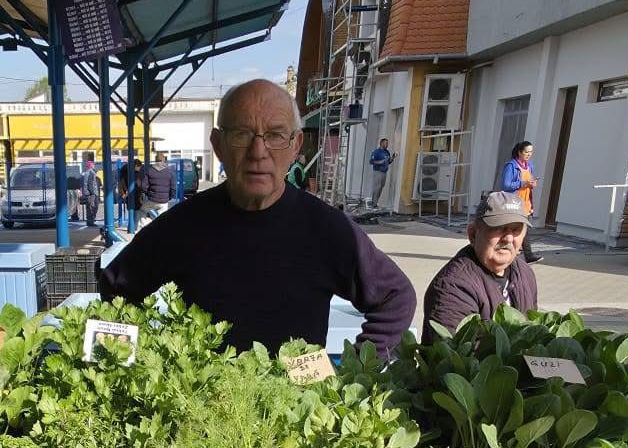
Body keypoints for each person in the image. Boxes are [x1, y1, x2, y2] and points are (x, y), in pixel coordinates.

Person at [97, 79, 416, 355]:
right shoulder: (182, 226)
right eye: (242, 134)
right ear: (218, 145)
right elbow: (115, 287)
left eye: (276, 135)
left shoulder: (328, 230)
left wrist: (353, 374)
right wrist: (144, 365)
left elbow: (396, 298)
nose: (258, 151)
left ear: (296, 146)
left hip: (299, 406)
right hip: (206, 403)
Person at [421, 191, 539, 344]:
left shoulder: (525, 273)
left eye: (516, 229)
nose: (509, 238)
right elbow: (456, 356)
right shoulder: (453, 287)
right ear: (473, 234)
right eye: (500, 228)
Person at [499, 141, 544, 262]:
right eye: (526, 152)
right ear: (519, 152)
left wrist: (533, 183)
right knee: (518, 230)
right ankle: (522, 255)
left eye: (531, 152)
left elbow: (530, 181)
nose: (529, 154)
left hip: (527, 202)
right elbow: (506, 185)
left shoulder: (530, 166)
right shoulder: (511, 166)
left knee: (523, 231)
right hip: (514, 203)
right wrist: (524, 183)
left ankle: (521, 256)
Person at [368, 138, 393, 209]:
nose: (387, 145)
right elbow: (371, 161)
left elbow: (388, 162)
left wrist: (392, 158)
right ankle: (373, 203)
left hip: (384, 172)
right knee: (377, 187)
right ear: (381, 143)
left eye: (387, 143)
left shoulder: (387, 152)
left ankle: (375, 202)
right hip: (378, 171)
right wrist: (380, 162)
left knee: (381, 187)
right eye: (386, 143)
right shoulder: (376, 152)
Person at [78, 157, 102, 228]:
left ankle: (90, 221)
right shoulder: (91, 172)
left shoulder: (87, 172)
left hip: (88, 193)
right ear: (91, 166)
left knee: (90, 207)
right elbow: (90, 184)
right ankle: (91, 221)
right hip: (91, 194)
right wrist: (92, 193)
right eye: (93, 165)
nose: (94, 165)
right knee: (93, 207)